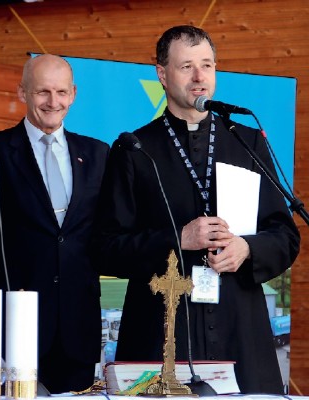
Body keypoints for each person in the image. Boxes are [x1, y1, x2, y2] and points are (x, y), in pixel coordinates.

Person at [91, 25, 300, 394]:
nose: (200, 76)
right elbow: (106, 249)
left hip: (239, 329)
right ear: (162, 74)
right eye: (186, 66)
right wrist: (178, 240)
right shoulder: (134, 149)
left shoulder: (247, 142)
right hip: (162, 332)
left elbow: (284, 236)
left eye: (207, 65)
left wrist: (247, 248)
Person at [0, 54, 109, 393]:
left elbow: (102, 234)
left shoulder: (99, 154)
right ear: (22, 92)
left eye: (61, 92)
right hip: (12, 326)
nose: (52, 102)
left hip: (77, 326)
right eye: (42, 92)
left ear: (73, 93)